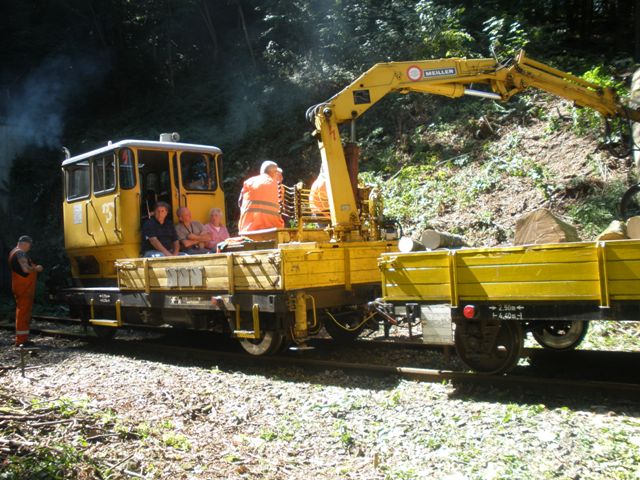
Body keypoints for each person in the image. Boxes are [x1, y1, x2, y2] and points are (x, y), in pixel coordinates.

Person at [8, 236, 43, 347]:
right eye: (29, 245)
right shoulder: (20, 253)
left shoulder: (14, 252)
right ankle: (21, 340)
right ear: (25, 244)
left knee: (22, 312)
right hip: (24, 287)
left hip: (20, 286)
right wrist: (36, 268)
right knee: (23, 313)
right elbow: (26, 269)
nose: (29, 247)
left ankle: (22, 339)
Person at [238, 160, 285, 233]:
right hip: (274, 229)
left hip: (249, 230)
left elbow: (240, 203)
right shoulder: (280, 188)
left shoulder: (249, 182)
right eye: (277, 173)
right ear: (274, 173)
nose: (281, 177)